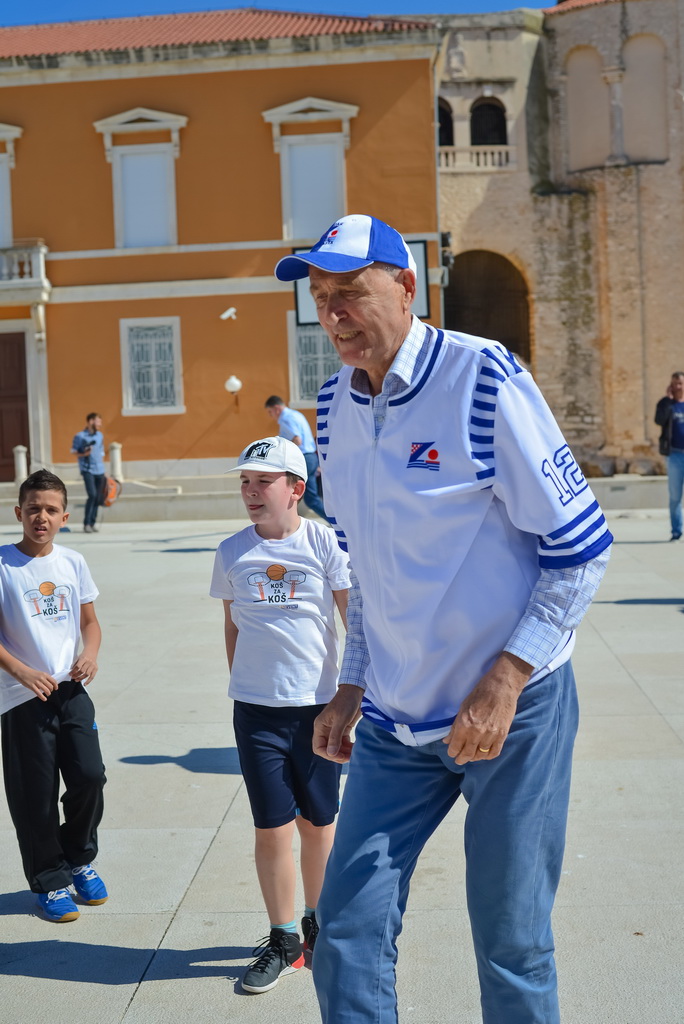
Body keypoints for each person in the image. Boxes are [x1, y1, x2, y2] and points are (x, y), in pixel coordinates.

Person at [274, 214, 614, 1024]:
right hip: (395, 722)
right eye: (320, 299)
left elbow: (581, 548)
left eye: (350, 294)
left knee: (511, 940)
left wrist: (507, 677)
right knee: (347, 928)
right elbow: (370, 570)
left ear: (407, 287)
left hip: (513, 716)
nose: (333, 316)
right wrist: (350, 685)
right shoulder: (330, 407)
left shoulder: (483, 378)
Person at [209, 436, 350, 994]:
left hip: (318, 708)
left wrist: (352, 696)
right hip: (257, 713)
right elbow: (232, 624)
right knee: (271, 828)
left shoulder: (324, 543)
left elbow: (351, 622)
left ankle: (321, 924)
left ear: (296, 487)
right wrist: (243, 681)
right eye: (245, 482)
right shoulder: (231, 551)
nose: (251, 491)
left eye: (263, 481)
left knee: (319, 824)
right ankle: (283, 936)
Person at [0, 469, 107, 923]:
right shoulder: (3, 563)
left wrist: (92, 653)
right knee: (35, 795)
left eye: (49, 510)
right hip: (21, 697)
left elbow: (90, 622)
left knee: (90, 776)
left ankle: (79, 857)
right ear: (17, 511)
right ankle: (49, 879)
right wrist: (22, 672)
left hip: (71, 690)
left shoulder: (72, 562)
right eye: (32, 509)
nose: (40, 517)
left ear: (64, 516)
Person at [264, 396, 330, 522]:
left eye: (270, 412)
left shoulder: (285, 418)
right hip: (311, 457)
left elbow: (297, 440)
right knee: (310, 498)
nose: (271, 415)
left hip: (303, 459)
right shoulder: (296, 414)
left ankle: (282, 521)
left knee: (286, 491)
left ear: (276, 408)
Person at [655, 371, 684, 541]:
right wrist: (667, 401)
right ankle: (676, 531)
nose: (678, 386)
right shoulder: (666, 404)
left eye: (680, 383)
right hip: (674, 456)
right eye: (675, 383)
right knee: (675, 497)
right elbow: (659, 421)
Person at [71, 412, 105, 533]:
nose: (100, 424)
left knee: (98, 497)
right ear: (91, 421)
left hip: (100, 470)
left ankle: (92, 522)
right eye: (98, 421)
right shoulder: (80, 436)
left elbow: (101, 451)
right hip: (87, 470)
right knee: (92, 495)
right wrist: (84, 454)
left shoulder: (100, 435)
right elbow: (74, 451)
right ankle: (86, 523)